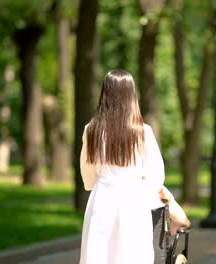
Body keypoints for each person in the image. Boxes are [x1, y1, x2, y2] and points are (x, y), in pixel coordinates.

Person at [79, 69, 165, 264]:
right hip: (133, 199)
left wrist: (98, 182)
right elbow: (156, 176)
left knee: (99, 254)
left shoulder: (91, 130)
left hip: (101, 198)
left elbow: (88, 175)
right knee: (133, 255)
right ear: (131, 95)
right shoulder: (142, 131)